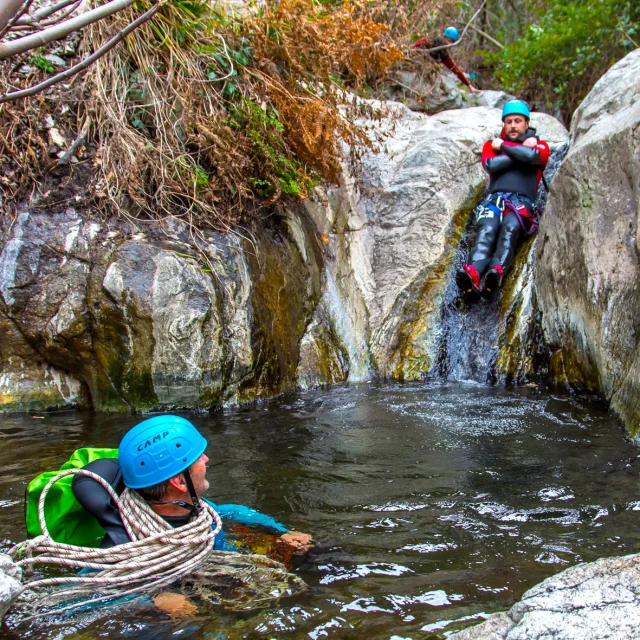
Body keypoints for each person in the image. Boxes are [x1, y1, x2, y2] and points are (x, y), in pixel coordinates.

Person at [72, 415, 313, 554]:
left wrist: (280, 531)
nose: (206, 459)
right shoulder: (122, 549)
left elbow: (229, 511)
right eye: (197, 457)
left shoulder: (194, 509)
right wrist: (155, 598)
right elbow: (92, 592)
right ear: (178, 481)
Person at [456, 99, 550, 298]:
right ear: (503, 125)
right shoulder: (491, 145)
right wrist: (519, 149)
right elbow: (491, 165)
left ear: (526, 123)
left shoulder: (540, 145)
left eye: (518, 121)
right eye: (509, 122)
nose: (513, 125)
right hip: (494, 201)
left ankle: (496, 272)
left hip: (522, 203)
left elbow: (535, 158)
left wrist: (505, 147)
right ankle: (472, 272)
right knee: (486, 230)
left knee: (510, 229)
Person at [412, 27, 479, 92]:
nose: (449, 44)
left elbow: (455, 69)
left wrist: (468, 85)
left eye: (452, 42)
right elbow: (413, 48)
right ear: (444, 37)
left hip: (425, 74)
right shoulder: (430, 41)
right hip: (415, 66)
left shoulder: (443, 54)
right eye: (449, 40)